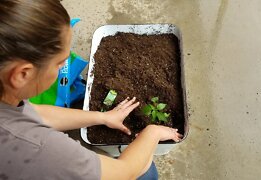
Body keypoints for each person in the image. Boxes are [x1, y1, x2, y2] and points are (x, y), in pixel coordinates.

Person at [0, 0, 183, 179]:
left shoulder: (7, 100)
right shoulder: (39, 149)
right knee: (146, 171)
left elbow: (34, 113)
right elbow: (125, 173)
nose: (66, 64)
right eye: (58, 63)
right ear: (22, 75)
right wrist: (153, 132)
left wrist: (101, 117)